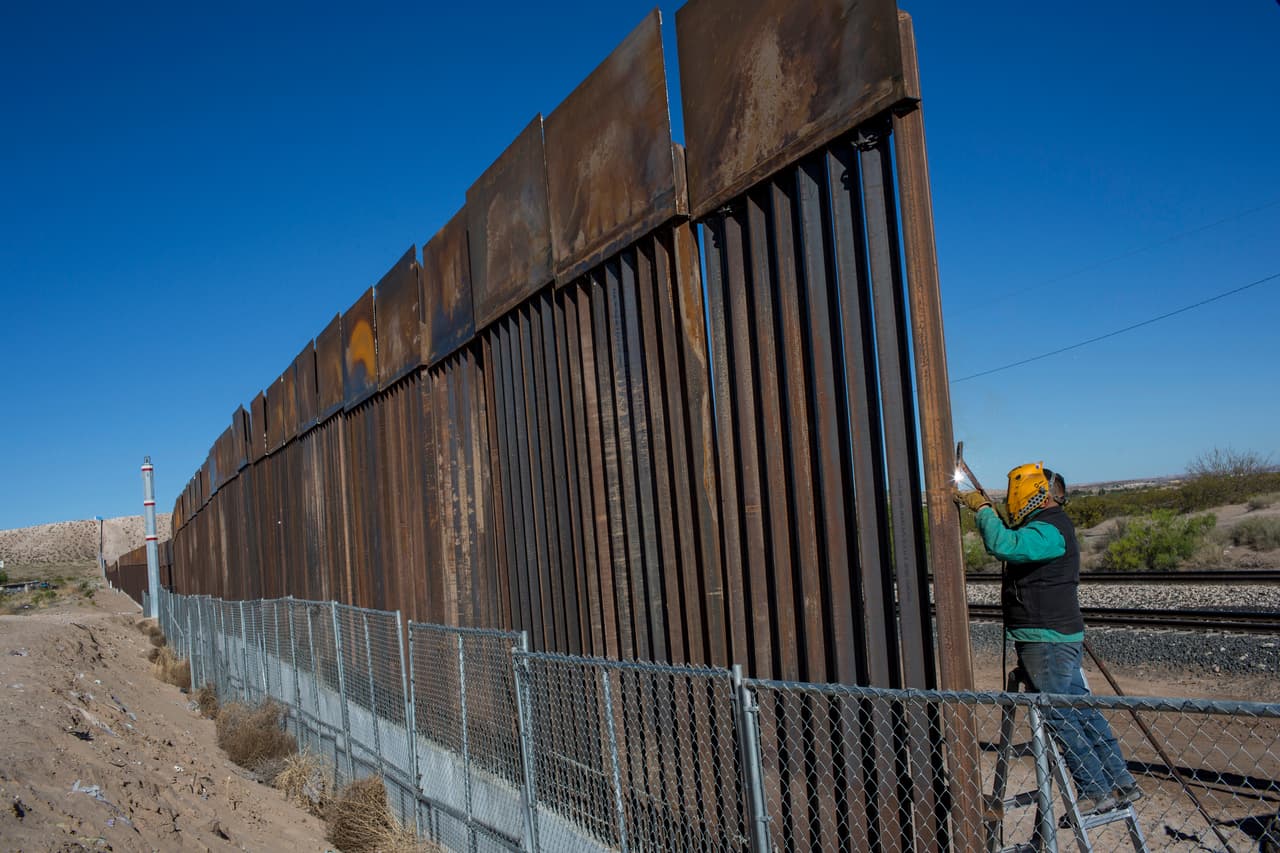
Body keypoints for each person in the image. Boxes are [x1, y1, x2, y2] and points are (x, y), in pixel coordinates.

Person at [956, 462, 1141, 813]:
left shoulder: (1050, 530)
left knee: (1058, 713)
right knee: (1082, 711)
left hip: (1046, 639)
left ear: (1031, 495)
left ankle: (1093, 790)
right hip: (1056, 637)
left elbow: (1004, 544)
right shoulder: (1050, 527)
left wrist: (982, 511)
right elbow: (1016, 541)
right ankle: (1120, 783)